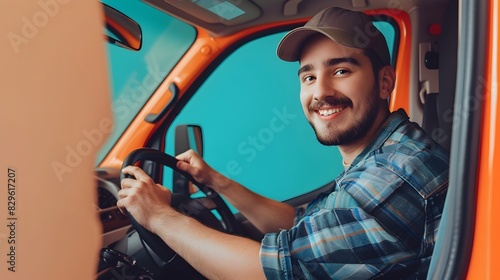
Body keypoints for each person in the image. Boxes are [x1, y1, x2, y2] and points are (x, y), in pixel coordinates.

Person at [117, 6, 449, 279]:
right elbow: (301, 225)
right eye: (309, 77)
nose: (320, 92)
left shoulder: (396, 172)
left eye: (342, 71)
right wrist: (216, 181)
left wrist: (158, 216)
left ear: (384, 81)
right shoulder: (381, 156)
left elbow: (270, 271)